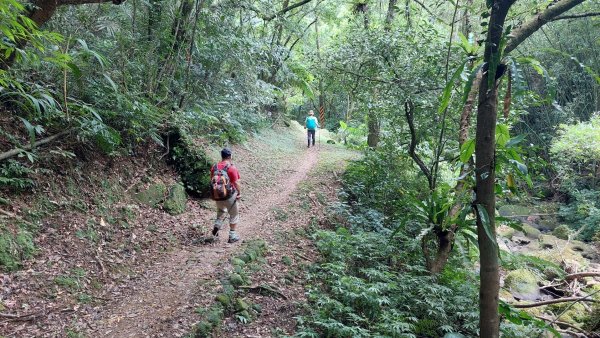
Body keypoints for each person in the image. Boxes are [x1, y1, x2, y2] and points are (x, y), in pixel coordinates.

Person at [210, 148, 242, 243]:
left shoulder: (214, 167)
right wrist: (239, 193)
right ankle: (232, 236)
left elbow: (212, 180)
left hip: (217, 194)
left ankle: (216, 226)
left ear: (222, 156)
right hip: (229, 196)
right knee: (234, 214)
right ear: (230, 156)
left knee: (220, 211)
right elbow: (236, 183)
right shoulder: (231, 167)